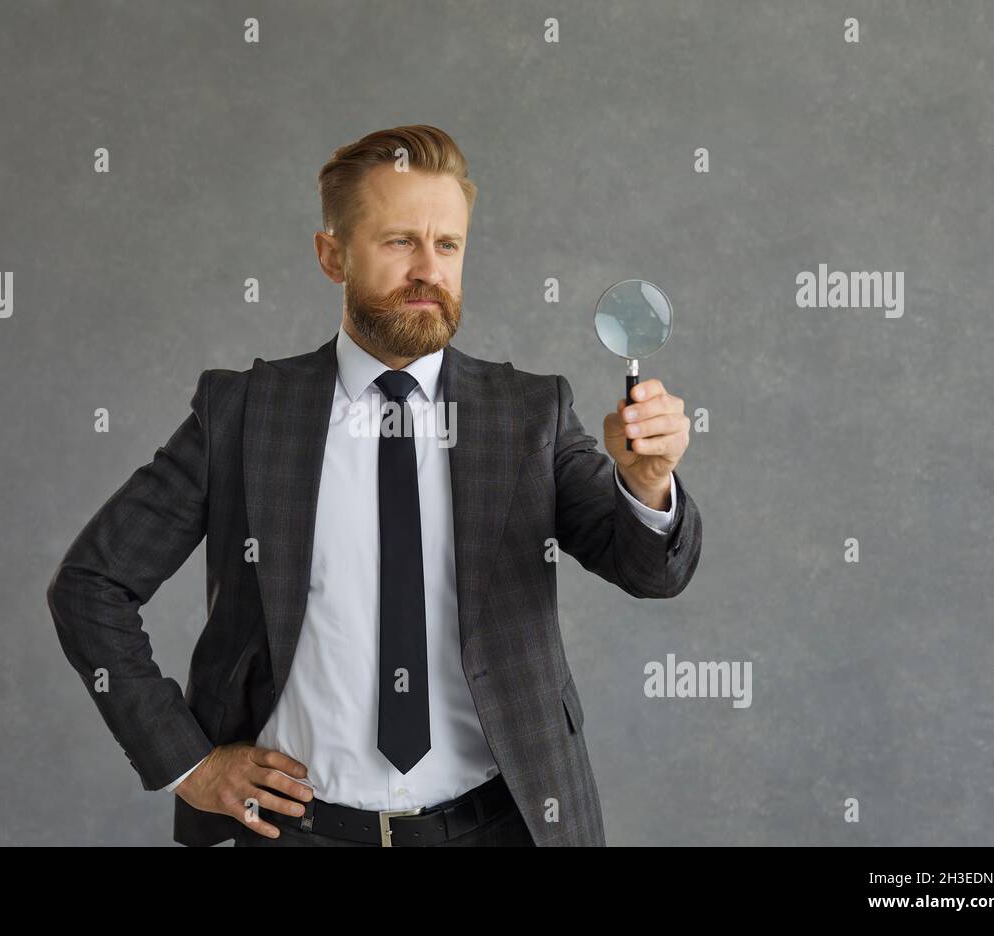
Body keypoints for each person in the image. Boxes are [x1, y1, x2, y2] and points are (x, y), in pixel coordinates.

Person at [47, 124, 702, 847]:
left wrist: (647, 481)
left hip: (502, 831)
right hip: (303, 835)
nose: (428, 270)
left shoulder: (529, 414)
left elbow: (649, 570)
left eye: (447, 245)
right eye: (399, 242)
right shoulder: (242, 415)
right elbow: (90, 584)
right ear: (333, 255)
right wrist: (190, 763)